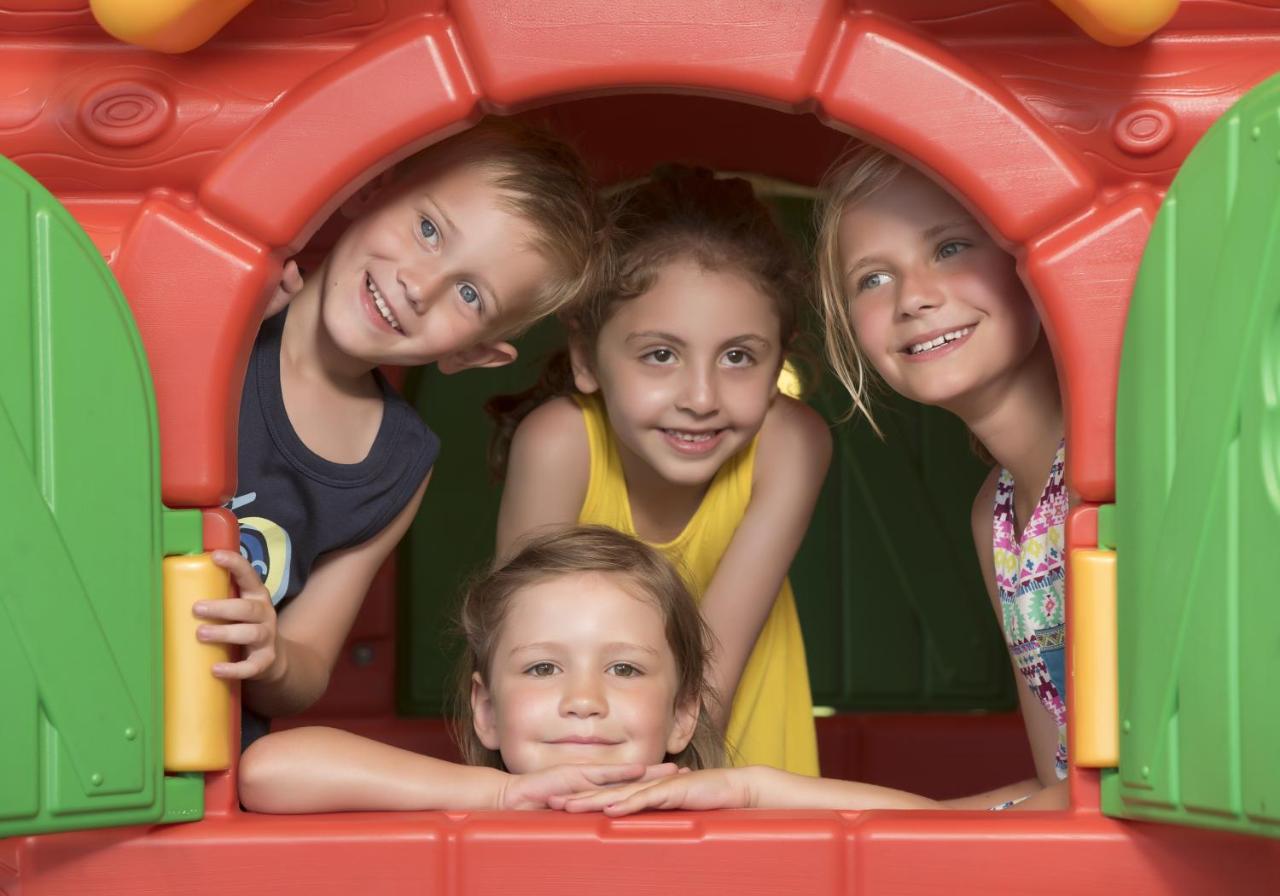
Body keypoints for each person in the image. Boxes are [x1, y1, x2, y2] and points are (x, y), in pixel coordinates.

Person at [196, 119, 606, 749]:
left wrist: (271, 654)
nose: (419, 284)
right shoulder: (219, 300)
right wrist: (214, 323)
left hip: (194, 745)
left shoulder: (396, 464)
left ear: (472, 354)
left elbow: (308, 660)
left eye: (468, 294)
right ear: (371, 188)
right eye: (429, 229)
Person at [490, 166, 832, 776]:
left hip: (738, 767)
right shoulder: (558, 444)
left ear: (779, 361)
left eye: (737, 357)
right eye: (660, 354)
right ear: (586, 357)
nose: (700, 397)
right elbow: (520, 660)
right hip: (575, 765)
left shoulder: (790, 443)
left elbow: (712, 680)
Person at [237, 526, 722, 813]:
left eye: (624, 668)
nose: (583, 701)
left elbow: (777, 796)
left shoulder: (719, 804)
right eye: (543, 667)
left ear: (683, 714)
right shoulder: (482, 799)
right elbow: (267, 770)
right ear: (486, 711)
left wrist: (735, 788)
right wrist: (504, 795)